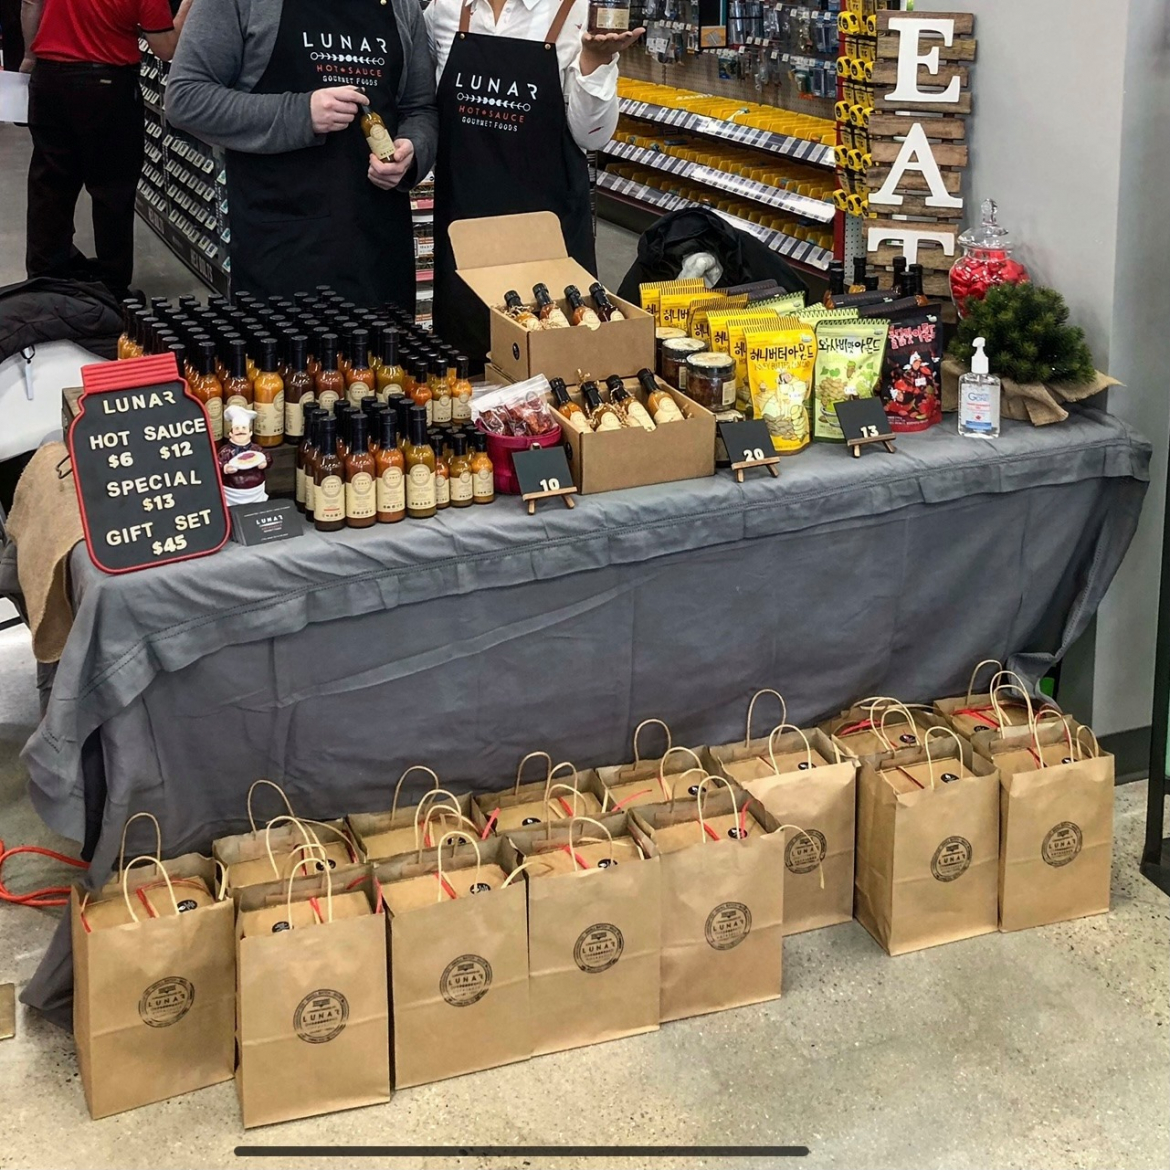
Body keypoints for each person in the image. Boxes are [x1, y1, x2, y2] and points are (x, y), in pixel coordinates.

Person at [166, 0, 437, 309]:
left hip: (379, 247)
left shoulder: (403, 6)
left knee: (383, 358)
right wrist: (300, 113)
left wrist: (412, 152)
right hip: (280, 249)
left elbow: (419, 108)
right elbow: (186, 98)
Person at [426, 0, 643, 364]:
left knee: (555, 367)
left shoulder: (578, 13)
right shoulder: (444, 11)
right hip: (466, 236)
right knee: (465, 376)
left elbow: (593, 137)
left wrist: (595, 61)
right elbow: (423, 108)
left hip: (548, 237)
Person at [19, 0, 192, 298]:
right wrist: (189, 5)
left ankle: (44, 280)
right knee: (112, 191)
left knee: (49, 186)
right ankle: (111, 288)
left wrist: (29, 57)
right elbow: (166, 48)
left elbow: (31, 3)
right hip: (107, 84)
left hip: (49, 78)